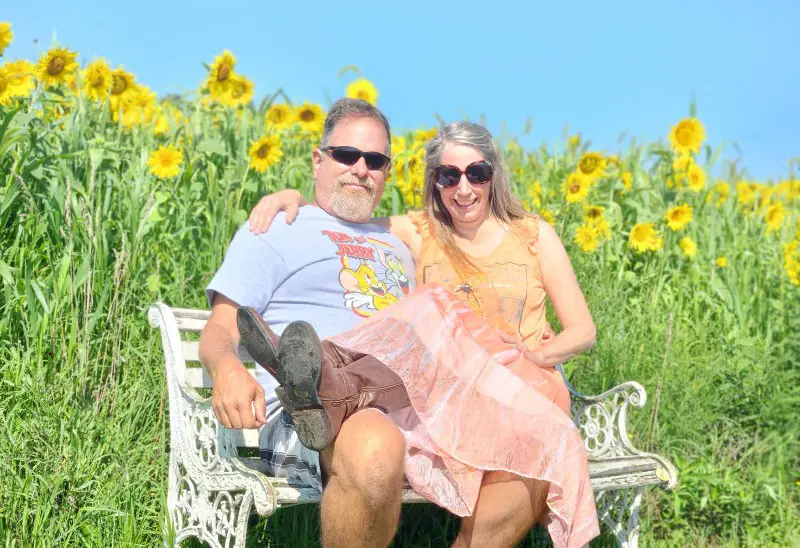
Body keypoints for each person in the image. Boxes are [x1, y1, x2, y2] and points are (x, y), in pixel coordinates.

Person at [243, 119, 601, 547]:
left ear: (493, 176)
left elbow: (582, 330)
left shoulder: (533, 236)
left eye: (476, 173)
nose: (463, 189)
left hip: (523, 386)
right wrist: (296, 199)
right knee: (431, 310)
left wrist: (534, 354)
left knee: (438, 308)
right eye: (449, 176)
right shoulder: (420, 232)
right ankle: (330, 376)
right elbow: (342, 215)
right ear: (435, 182)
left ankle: (332, 381)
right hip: (453, 396)